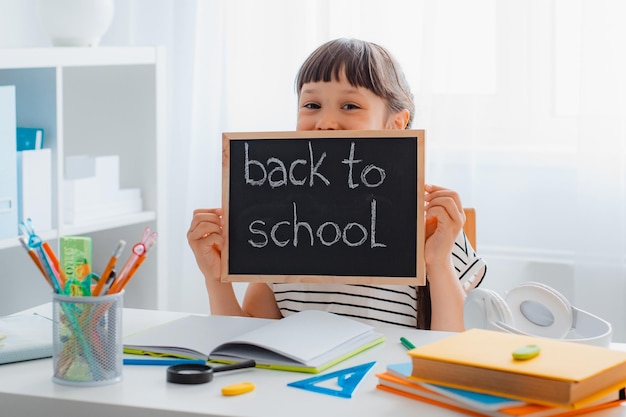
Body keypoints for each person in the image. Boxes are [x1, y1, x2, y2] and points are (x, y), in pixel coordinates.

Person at [187, 38, 486, 331]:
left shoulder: (430, 223)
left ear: (395, 124)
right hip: (301, 379)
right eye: (312, 104)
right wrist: (214, 280)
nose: (326, 122)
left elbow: (453, 346)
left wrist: (439, 261)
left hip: (389, 378)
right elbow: (250, 337)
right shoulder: (280, 225)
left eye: (350, 105)